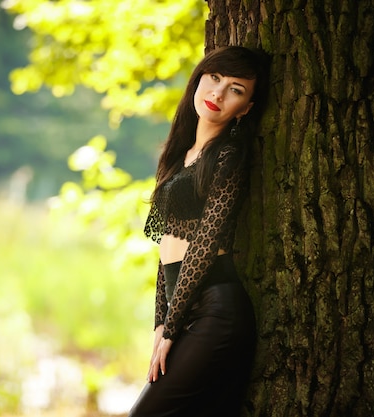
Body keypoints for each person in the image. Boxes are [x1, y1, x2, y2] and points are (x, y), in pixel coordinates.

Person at [128, 45, 270, 417]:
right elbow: (165, 247)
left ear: (247, 108)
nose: (218, 94)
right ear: (200, 78)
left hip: (217, 310)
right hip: (185, 307)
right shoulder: (179, 153)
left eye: (236, 90)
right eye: (215, 78)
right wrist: (160, 322)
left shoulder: (228, 156)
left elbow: (204, 243)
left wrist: (172, 327)